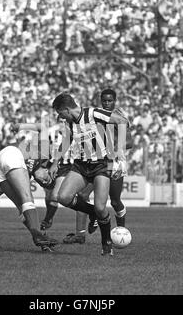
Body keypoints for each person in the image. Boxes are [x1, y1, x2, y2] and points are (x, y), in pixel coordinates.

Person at [51, 92, 129, 256]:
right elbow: (66, 142)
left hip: (101, 164)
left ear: (66, 109)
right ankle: (92, 212)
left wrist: (119, 152)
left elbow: (121, 121)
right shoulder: (70, 123)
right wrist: (55, 163)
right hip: (81, 165)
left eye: (60, 114)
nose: (61, 117)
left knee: (101, 208)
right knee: (63, 197)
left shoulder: (93, 113)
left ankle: (106, 244)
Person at [0, 144, 59, 251]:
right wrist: (55, 163)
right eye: (47, 180)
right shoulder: (42, 157)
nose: (43, 182)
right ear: (47, 170)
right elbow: (51, 146)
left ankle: (41, 240)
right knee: (28, 199)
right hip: (10, 153)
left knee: (22, 207)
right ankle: (39, 236)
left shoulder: (26, 174)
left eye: (43, 184)